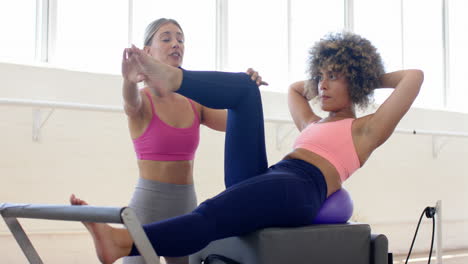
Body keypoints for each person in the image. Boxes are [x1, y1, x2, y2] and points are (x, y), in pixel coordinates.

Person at [70, 32, 424, 264]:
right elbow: (294, 89)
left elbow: (414, 77)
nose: (322, 84)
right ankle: (173, 76)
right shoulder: (313, 122)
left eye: (334, 76)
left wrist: (363, 75)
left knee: (209, 214)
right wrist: (331, 76)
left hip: (300, 188)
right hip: (271, 177)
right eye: (321, 75)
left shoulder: (366, 130)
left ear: (357, 81)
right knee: (244, 89)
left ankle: (122, 244)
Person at [70, 18, 266, 264]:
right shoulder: (142, 101)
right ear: (148, 51)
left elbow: (239, 123)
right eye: (166, 38)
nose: (176, 44)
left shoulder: (195, 103)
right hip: (147, 207)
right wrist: (129, 80)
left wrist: (245, 91)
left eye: (180, 39)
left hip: (185, 206)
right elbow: (130, 102)